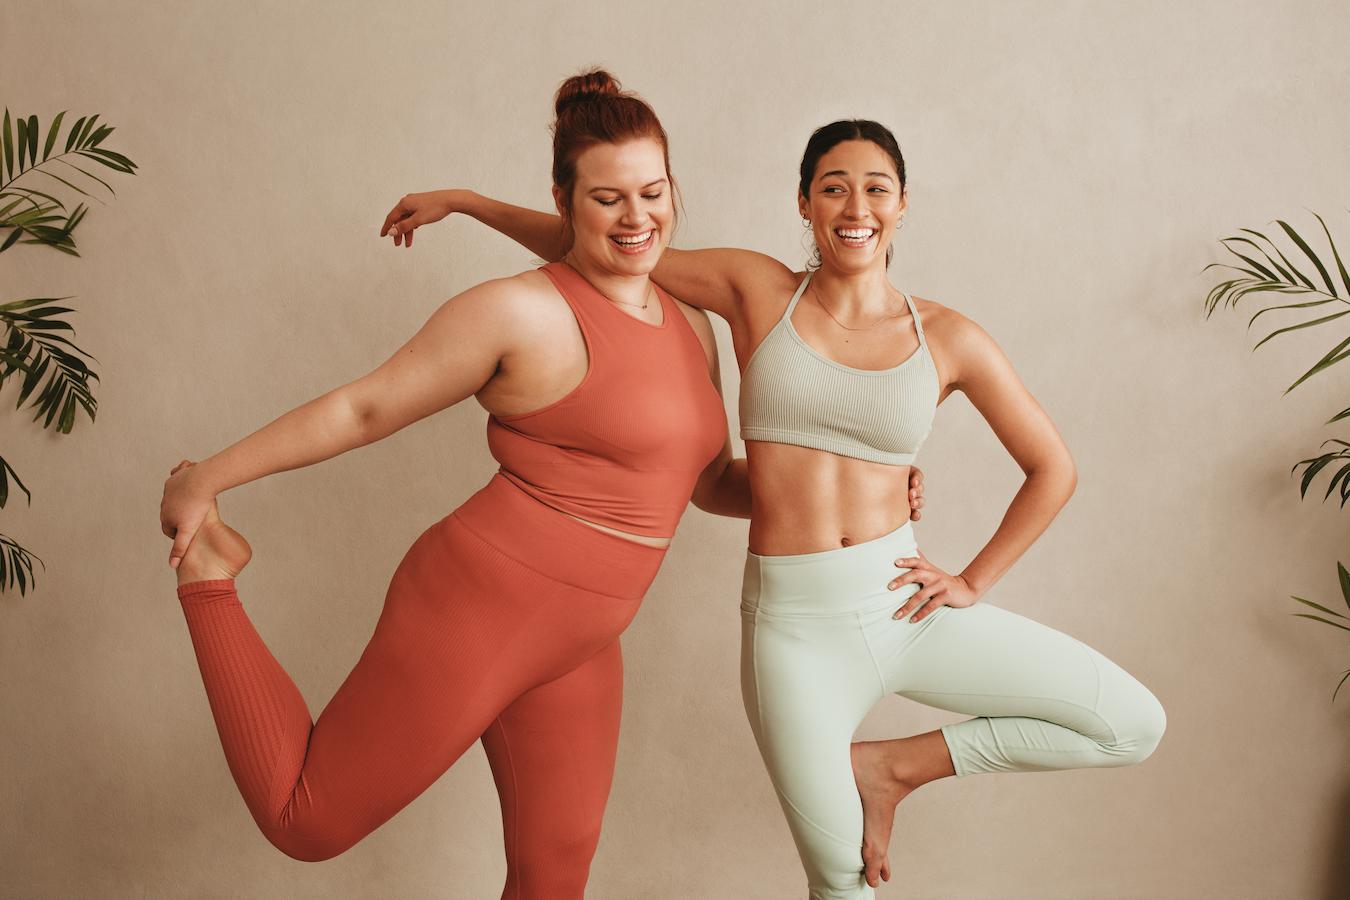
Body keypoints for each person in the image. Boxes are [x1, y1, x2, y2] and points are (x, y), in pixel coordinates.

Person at [384, 118, 1167, 899]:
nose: (854, 206)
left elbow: (1051, 468)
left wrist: (973, 579)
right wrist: (467, 202)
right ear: (804, 202)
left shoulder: (951, 337)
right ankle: (871, 781)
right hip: (793, 631)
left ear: (902, 205)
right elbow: (606, 245)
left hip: (901, 602)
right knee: (842, 884)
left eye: (875, 188)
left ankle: (890, 767)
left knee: (1132, 724)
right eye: (833, 187)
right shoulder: (756, 289)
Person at [158, 70, 846, 900]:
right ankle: (210, 578)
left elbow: (705, 484)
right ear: (565, 201)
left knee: (554, 877)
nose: (637, 218)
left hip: (583, 641)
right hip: (482, 604)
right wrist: (208, 478)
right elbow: (364, 408)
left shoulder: (687, 321)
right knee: (306, 821)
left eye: (653, 193)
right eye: (607, 199)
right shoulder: (518, 313)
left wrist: (854, 491)